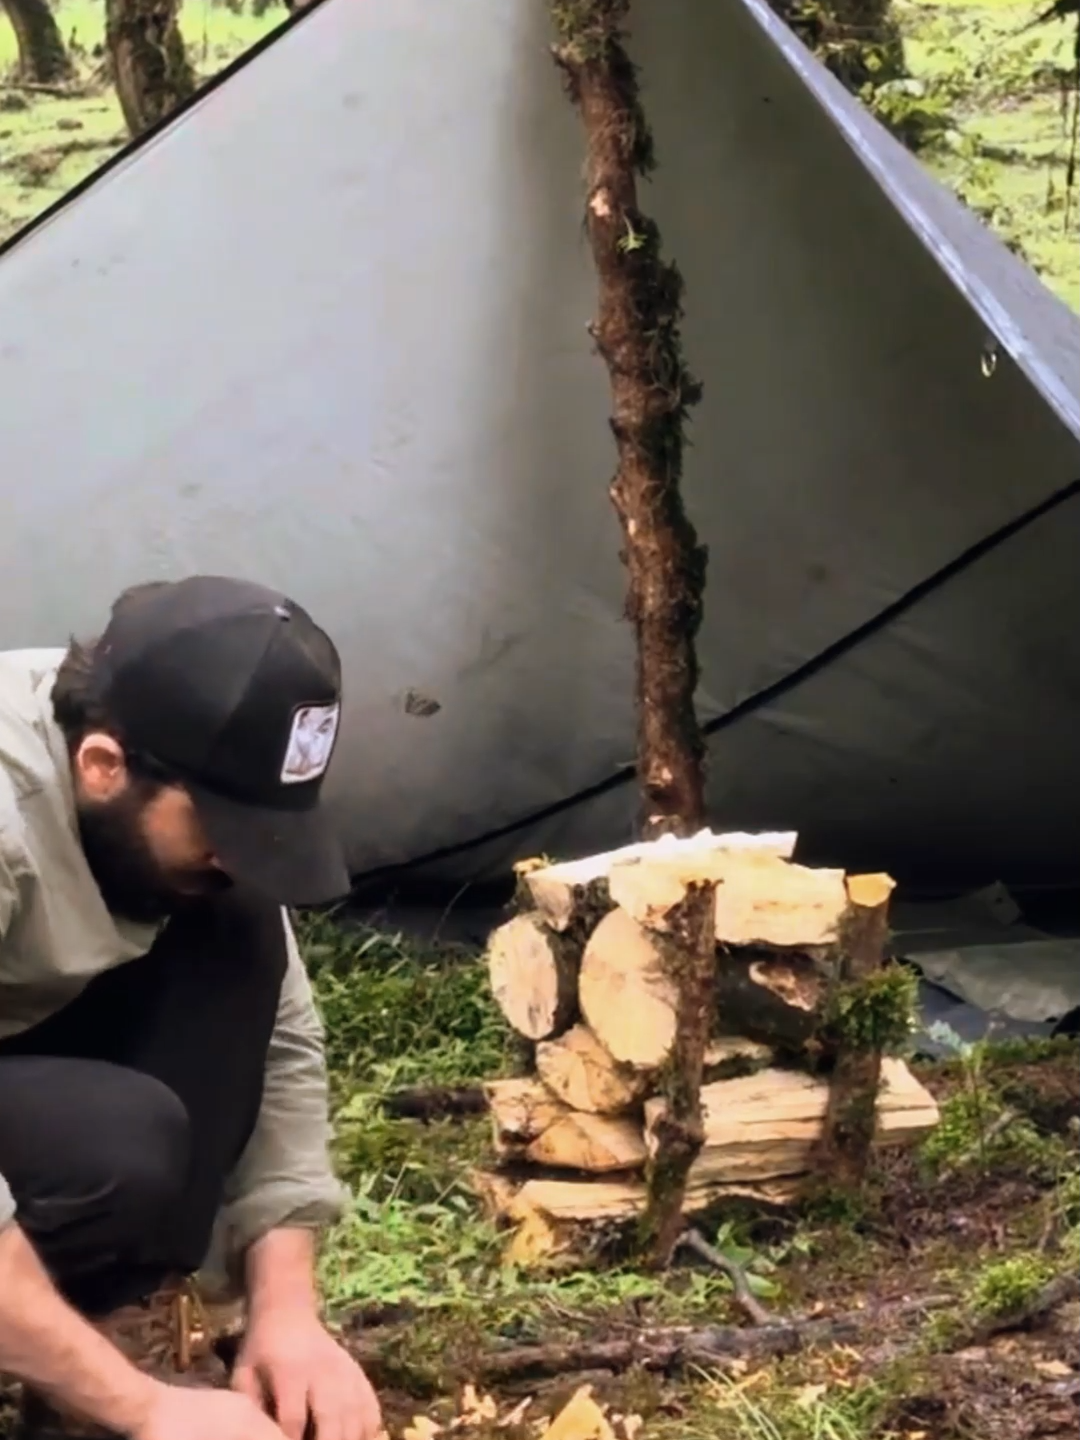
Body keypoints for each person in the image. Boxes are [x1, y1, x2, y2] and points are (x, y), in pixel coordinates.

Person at [0, 576, 382, 1440]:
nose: (238, 856)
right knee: (111, 1146)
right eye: (219, 825)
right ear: (103, 766)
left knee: (233, 917)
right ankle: (89, 1372)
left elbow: (278, 1037)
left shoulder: (171, 807)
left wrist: (287, 1310)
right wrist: (144, 1412)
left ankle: (111, 1330)